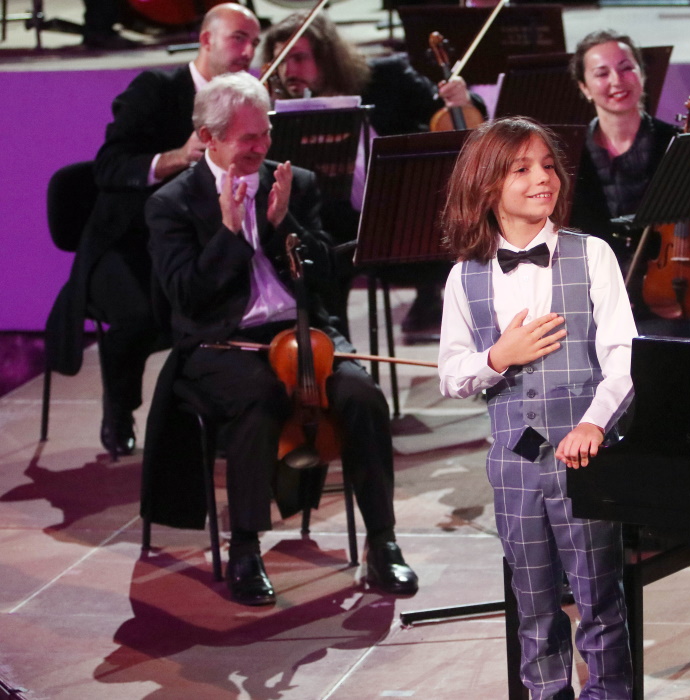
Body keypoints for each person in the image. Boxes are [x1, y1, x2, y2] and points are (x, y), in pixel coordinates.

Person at [143, 73, 417, 606]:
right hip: (221, 344)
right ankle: (246, 548)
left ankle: (383, 541)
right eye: (248, 138)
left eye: (265, 133)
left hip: (304, 331)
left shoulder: (295, 184)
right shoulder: (171, 203)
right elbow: (187, 298)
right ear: (209, 137)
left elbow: (324, 277)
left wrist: (279, 221)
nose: (262, 147)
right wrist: (228, 234)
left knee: (362, 396)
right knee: (261, 397)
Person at [438, 118, 635, 699]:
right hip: (515, 464)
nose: (542, 178)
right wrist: (497, 357)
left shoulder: (591, 254)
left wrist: (594, 422)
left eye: (548, 165)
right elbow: (451, 374)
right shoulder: (464, 276)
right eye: (521, 169)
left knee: (599, 601)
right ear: (487, 185)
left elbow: (624, 356)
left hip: (584, 455)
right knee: (534, 606)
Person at [46, 3, 260, 460]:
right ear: (206, 40)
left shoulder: (245, 101)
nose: (248, 51)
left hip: (189, 241)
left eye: (254, 42)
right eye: (238, 38)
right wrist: (178, 157)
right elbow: (109, 167)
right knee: (142, 316)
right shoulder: (156, 90)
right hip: (125, 244)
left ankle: (228, 418)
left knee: (241, 302)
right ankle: (120, 407)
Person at [261, 12, 488, 338]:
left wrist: (464, 99)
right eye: (280, 60)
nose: (287, 71)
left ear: (327, 57)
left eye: (299, 58)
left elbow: (449, 113)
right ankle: (334, 345)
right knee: (314, 252)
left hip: (405, 217)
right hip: (341, 229)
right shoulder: (280, 113)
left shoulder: (386, 78)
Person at [569, 29, 690, 337]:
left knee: (674, 339)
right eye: (602, 73)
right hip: (595, 300)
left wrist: (681, 278)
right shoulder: (569, 154)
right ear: (584, 88)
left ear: (643, 75)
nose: (617, 81)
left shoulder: (680, 145)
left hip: (667, 299)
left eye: (626, 68)